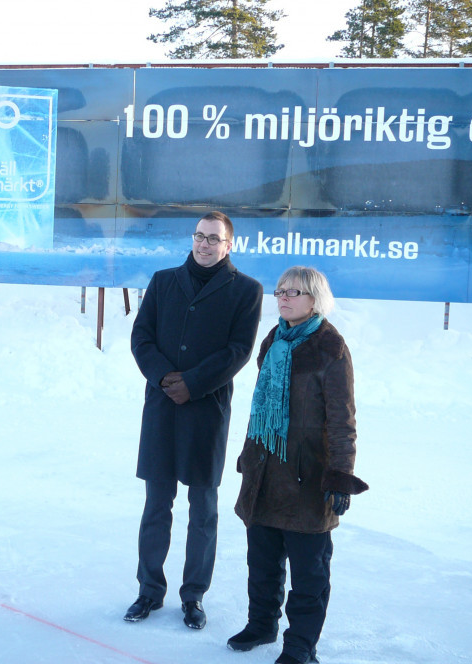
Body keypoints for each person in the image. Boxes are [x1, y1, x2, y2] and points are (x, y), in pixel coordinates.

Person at [125, 211, 263, 630]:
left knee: (202, 509)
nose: (204, 244)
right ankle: (149, 590)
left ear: (229, 245)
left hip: (206, 410)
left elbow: (239, 349)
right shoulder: (164, 281)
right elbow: (141, 336)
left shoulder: (247, 290)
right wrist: (166, 377)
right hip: (163, 407)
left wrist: (194, 383)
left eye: (213, 239)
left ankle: (193, 596)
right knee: (156, 505)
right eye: (199, 236)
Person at [228, 266, 369, 664]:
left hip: (307, 477)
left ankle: (301, 645)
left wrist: (340, 476)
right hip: (266, 470)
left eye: (293, 292)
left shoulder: (330, 348)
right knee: (262, 561)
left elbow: (343, 422)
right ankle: (261, 624)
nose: (283, 298)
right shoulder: (274, 339)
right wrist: (248, 455)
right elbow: (262, 408)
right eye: (280, 291)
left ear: (314, 298)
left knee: (309, 573)